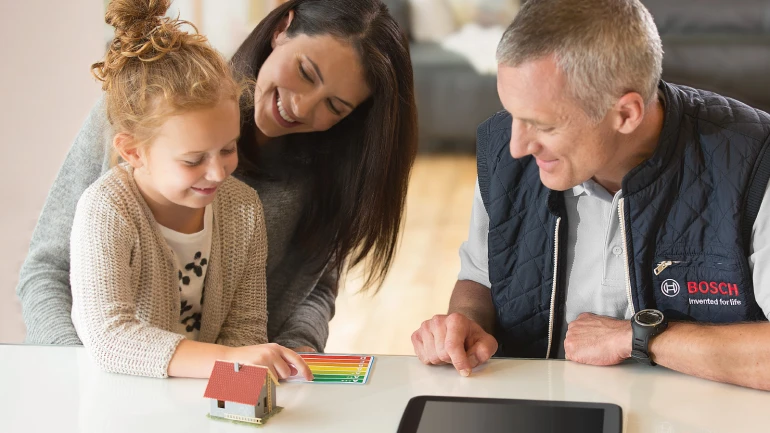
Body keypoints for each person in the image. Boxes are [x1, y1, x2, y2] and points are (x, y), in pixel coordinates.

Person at [17, 0, 417, 354]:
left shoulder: (316, 181)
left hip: (229, 386)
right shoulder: (146, 103)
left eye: (334, 106)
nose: (301, 106)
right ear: (282, 29)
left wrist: (294, 355)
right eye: (305, 72)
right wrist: (73, 374)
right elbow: (48, 270)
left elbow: (311, 292)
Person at [411, 0, 770, 391]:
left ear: (626, 114)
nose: (517, 146)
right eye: (513, 113)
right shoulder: (504, 153)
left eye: (543, 124)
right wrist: (465, 323)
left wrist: (639, 338)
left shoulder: (754, 162)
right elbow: (480, 278)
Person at [69, 0, 316, 380]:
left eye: (228, 149)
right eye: (193, 160)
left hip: (203, 392)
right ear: (133, 152)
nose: (218, 172)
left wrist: (229, 400)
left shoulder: (243, 208)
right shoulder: (106, 211)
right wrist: (227, 363)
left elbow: (246, 330)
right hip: (124, 396)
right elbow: (109, 337)